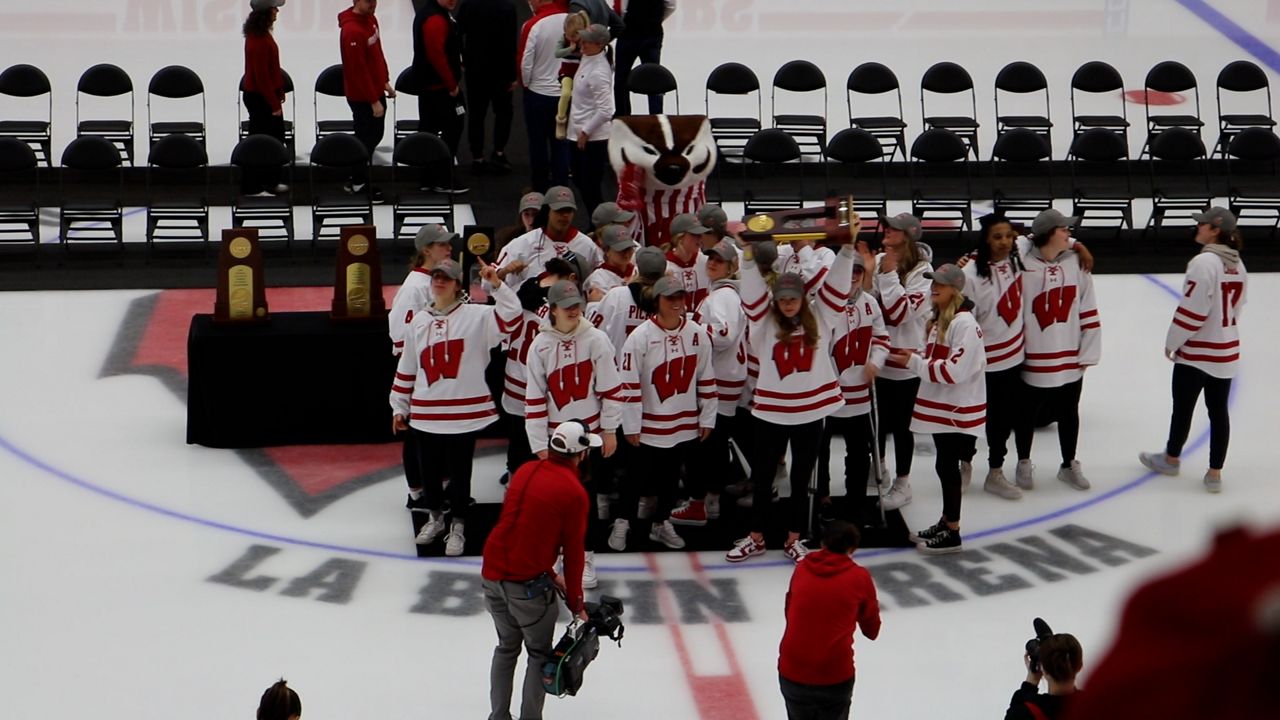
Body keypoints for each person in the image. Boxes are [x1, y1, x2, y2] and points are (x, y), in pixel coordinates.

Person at [727, 240, 859, 563]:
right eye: (782, 299)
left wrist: (847, 250)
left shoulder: (822, 318)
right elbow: (751, 295)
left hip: (810, 411)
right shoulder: (762, 321)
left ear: (803, 298)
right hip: (771, 412)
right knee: (763, 479)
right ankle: (756, 537)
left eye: (793, 298)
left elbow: (838, 289)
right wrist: (747, 256)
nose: (787, 304)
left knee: (800, 480)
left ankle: (794, 539)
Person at [390, 257, 521, 555]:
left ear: (458, 284)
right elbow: (408, 365)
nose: (439, 281)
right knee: (430, 474)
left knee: (461, 475)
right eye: (436, 276)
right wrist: (399, 405)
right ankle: (435, 518)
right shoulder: (419, 321)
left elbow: (512, 317)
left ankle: (459, 525)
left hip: (463, 415)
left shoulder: (478, 316)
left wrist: (497, 285)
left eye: (446, 278)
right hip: (426, 413)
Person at [481, 421, 593, 720]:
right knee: (539, 654)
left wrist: (548, 571)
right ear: (582, 454)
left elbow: (519, 525)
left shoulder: (526, 470)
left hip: (492, 575)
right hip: (526, 587)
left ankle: (498, 716)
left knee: (506, 648)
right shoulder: (574, 493)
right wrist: (576, 602)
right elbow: (572, 554)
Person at [1140, 207, 1247, 493]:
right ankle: (1215, 473)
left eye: (1201, 224)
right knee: (1219, 411)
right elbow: (1237, 308)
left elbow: (1193, 310)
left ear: (1214, 230)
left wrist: (1173, 341)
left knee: (1183, 409)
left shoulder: (1204, 263)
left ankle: (1171, 458)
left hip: (1198, 352)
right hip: (1226, 350)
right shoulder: (1239, 264)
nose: (1197, 227)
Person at [525, 280, 623, 588]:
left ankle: (587, 555)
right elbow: (535, 397)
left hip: (587, 436)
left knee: (586, 500)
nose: (573, 311)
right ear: (552, 309)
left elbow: (610, 388)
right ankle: (557, 554)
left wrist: (609, 429)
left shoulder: (596, 339)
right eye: (566, 307)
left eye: (576, 305)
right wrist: (540, 443)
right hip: (555, 438)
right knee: (554, 501)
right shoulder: (539, 345)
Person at [613, 276, 716, 551]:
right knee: (635, 477)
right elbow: (629, 383)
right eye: (670, 298)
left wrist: (707, 416)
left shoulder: (697, 333)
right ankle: (623, 521)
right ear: (656, 301)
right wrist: (631, 424)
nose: (677, 302)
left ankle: (660, 522)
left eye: (680, 296)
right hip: (648, 422)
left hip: (683, 421)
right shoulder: (640, 337)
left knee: (671, 479)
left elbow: (706, 377)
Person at [889, 264, 987, 555]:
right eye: (933, 283)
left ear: (955, 289)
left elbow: (954, 371)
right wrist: (912, 356)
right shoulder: (941, 319)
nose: (934, 288)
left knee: (947, 467)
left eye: (940, 285)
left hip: (957, 409)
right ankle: (946, 521)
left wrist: (914, 363)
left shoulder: (966, 325)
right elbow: (935, 359)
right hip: (944, 406)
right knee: (944, 466)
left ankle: (953, 530)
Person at [1016, 209, 1101, 493]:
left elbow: (1088, 308)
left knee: (1069, 412)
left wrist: (1088, 352)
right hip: (1034, 354)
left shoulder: (1076, 263)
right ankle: (1023, 461)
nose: (1070, 234)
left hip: (1068, 355)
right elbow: (1020, 242)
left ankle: (1068, 463)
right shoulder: (1022, 262)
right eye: (1064, 229)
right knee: (1025, 413)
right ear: (1048, 233)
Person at [671, 239, 746, 527]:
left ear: (732, 266)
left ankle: (701, 502)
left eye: (720, 260)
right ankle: (709, 500)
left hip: (720, 378)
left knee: (707, 444)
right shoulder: (725, 293)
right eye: (711, 258)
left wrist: (688, 326)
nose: (713, 263)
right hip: (726, 376)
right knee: (713, 443)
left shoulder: (723, 296)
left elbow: (724, 335)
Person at [861, 213, 933, 512]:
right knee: (875, 421)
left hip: (904, 360)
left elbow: (901, 313)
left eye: (894, 228)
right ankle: (878, 467)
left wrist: (888, 276)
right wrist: (869, 272)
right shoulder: (878, 262)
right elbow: (865, 304)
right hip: (875, 357)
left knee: (903, 426)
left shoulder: (923, 272)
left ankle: (903, 482)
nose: (886, 230)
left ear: (909, 235)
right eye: (886, 226)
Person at [777, 521, 881, 720]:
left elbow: (789, 610)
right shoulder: (859, 577)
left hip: (792, 669)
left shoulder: (802, 568)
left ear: (823, 543)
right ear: (853, 548)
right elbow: (872, 631)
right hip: (833, 674)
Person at [389, 224, 456, 517]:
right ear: (426, 249)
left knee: (434, 432)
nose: (449, 248)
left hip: (437, 368)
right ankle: (418, 492)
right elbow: (399, 333)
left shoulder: (437, 280)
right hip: (420, 371)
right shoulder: (415, 287)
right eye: (442, 244)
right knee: (418, 432)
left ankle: (435, 487)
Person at [960, 214, 1028, 500]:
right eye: (997, 237)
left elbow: (1047, 236)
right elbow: (964, 322)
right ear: (986, 239)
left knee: (1002, 420)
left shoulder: (1018, 256)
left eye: (1008, 236)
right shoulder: (971, 273)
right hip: (982, 363)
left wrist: (1078, 246)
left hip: (1013, 359)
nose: (1004, 242)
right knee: (973, 418)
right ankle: (964, 464)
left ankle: (995, 471)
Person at [818, 251, 888, 523]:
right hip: (829, 393)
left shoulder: (871, 304)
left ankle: (855, 500)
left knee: (859, 451)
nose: (854, 276)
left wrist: (876, 363)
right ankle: (822, 496)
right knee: (820, 449)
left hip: (860, 393)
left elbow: (882, 339)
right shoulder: (825, 304)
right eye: (849, 271)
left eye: (858, 271)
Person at [501, 256, 582, 483]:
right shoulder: (562, 308)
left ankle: (515, 482)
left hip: (516, 379)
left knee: (520, 441)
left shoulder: (526, 288)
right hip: (538, 384)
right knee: (538, 442)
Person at [338, 0, 394, 201]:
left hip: (374, 91)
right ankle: (358, 182)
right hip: (362, 97)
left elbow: (377, 54)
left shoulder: (370, 19)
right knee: (365, 139)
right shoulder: (352, 32)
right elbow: (358, 71)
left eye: (374, 0)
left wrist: (385, 81)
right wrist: (373, 100)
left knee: (374, 136)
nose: (373, 4)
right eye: (368, 1)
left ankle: (357, 176)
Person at [496, 185, 603, 288]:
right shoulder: (522, 243)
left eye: (568, 210)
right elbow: (488, 283)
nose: (565, 215)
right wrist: (505, 271)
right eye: (559, 210)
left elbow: (599, 282)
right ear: (547, 211)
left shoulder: (587, 245)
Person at [412, 0, 468, 194]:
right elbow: (437, 55)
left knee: (429, 129)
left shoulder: (433, 14)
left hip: (430, 86)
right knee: (452, 127)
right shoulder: (435, 19)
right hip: (439, 88)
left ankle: (427, 177)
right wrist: (451, 84)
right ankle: (442, 177)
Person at [456, 0, 517, 175]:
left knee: (476, 114)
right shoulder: (507, 6)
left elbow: (457, 33)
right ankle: (499, 152)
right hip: (502, 70)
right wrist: (513, 74)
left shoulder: (469, 4)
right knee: (504, 112)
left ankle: (477, 156)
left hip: (475, 70)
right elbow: (511, 42)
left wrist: (463, 58)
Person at [519, 0, 570, 191]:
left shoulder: (532, 25)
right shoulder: (570, 20)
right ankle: (561, 187)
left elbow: (525, 61)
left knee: (538, 143)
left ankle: (539, 186)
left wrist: (527, 84)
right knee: (561, 143)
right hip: (564, 92)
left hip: (538, 93)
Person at [567, 24, 615, 221]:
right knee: (581, 181)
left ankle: (600, 224)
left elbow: (607, 110)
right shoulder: (588, 58)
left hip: (592, 139)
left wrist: (586, 132)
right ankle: (598, 222)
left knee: (590, 185)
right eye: (583, 39)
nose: (582, 44)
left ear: (600, 44)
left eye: (587, 41)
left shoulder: (599, 72)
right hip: (578, 133)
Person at [241, 0, 289, 196]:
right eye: (274, 8)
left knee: (270, 139)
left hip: (264, 96)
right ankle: (260, 183)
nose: (277, 11)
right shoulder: (259, 41)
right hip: (260, 98)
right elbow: (261, 77)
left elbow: (270, 70)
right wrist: (274, 103)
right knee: (268, 141)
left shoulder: (259, 35)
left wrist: (278, 89)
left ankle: (266, 180)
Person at [588, 244, 666, 362]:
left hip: (619, 373)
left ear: (637, 269)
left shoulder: (618, 296)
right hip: (655, 374)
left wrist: (593, 304)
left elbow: (593, 333)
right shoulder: (670, 301)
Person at [614, 0, 676, 116]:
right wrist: (655, 20)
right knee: (652, 77)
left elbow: (622, 8)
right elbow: (670, 6)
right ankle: (654, 116)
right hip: (645, 32)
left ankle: (623, 116)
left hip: (633, 32)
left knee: (624, 77)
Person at [1005, 633, 1084, 720]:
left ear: (1043, 669)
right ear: (1079, 666)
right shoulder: (1095, 705)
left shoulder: (1024, 712)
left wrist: (1030, 682)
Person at [553, 11, 591, 140]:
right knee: (565, 94)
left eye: (573, 37)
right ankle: (560, 120)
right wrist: (570, 48)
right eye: (568, 36)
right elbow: (557, 53)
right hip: (567, 72)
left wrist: (582, 49)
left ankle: (583, 125)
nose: (571, 39)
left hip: (581, 73)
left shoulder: (585, 39)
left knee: (581, 99)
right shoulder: (564, 38)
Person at [666, 212, 712, 306]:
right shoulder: (664, 266)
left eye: (700, 235)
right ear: (680, 238)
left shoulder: (707, 262)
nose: (699, 239)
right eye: (694, 235)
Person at [584, 224, 638, 300]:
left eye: (629, 249)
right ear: (607, 251)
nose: (626, 254)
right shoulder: (598, 278)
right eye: (621, 250)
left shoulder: (637, 271)